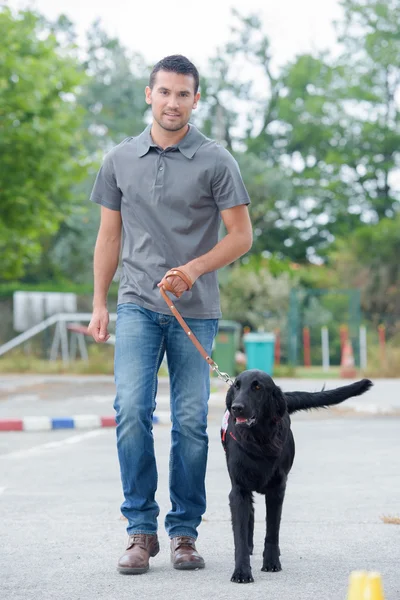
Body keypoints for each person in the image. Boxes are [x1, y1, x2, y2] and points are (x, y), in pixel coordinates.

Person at [88, 54, 252, 575]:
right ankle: (140, 531)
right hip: (137, 302)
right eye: (165, 92)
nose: (173, 102)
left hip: (196, 310)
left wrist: (194, 268)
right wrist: (98, 301)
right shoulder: (119, 159)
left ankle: (184, 533)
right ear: (148, 94)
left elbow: (242, 236)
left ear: (196, 99)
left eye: (184, 94)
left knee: (189, 422)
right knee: (132, 411)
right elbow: (109, 236)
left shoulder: (216, 160)